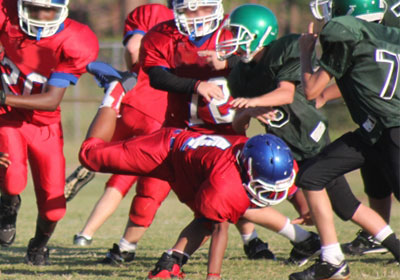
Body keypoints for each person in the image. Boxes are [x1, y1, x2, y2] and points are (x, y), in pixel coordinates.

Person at [78, 73, 321, 280]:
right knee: (89, 156)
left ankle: (172, 260)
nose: (270, 193)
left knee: (205, 217)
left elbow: (283, 183)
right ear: (246, 170)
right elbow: (220, 232)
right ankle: (115, 90)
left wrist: (302, 207)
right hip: (165, 150)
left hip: (192, 170)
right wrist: (213, 276)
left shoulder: (265, 158)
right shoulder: (227, 183)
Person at [215, 3, 400, 268]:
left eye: (237, 32)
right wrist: (249, 111)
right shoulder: (241, 74)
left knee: (347, 204)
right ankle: (322, 251)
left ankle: (376, 247)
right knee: (304, 182)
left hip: (322, 139)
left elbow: (297, 92)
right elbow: (240, 126)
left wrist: (303, 53)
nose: (231, 39)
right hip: (312, 142)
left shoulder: (289, 49)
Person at [139, 0, 288, 262]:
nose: (197, 15)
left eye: (204, 7)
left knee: (238, 189)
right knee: (210, 198)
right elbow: (157, 77)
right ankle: (274, 239)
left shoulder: (234, 28)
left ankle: (272, 239)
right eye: (189, 8)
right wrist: (197, 85)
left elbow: (258, 60)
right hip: (187, 131)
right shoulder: (161, 36)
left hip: (229, 129)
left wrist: (233, 67)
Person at [289, 0, 400, 279]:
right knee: (312, 176)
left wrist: (305, 53)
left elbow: (312, 90)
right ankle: (332, 259)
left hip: (392, 130)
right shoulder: (384, 38)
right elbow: (357, 75)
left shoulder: (347, 32)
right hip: (371, 132)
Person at [71, 4, 174, 266]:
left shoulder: (151, 12)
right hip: (165, 114)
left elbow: (132, 48)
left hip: (132, 99)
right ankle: (125, 247)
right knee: (158, 188)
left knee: (118, 172)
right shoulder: (203, 25)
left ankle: (85, 233)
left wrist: (134, 73)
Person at [0, 0, 98, 265]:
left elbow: (51, 100)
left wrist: (3, 98)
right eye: (34, 9)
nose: (42, 17)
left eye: (50, 10)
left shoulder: (75, 39)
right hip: (7, 120)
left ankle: (39, 245)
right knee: (12, 178)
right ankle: (8, 205)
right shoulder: (6, 14)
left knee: (54, 207)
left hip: (44, 124)